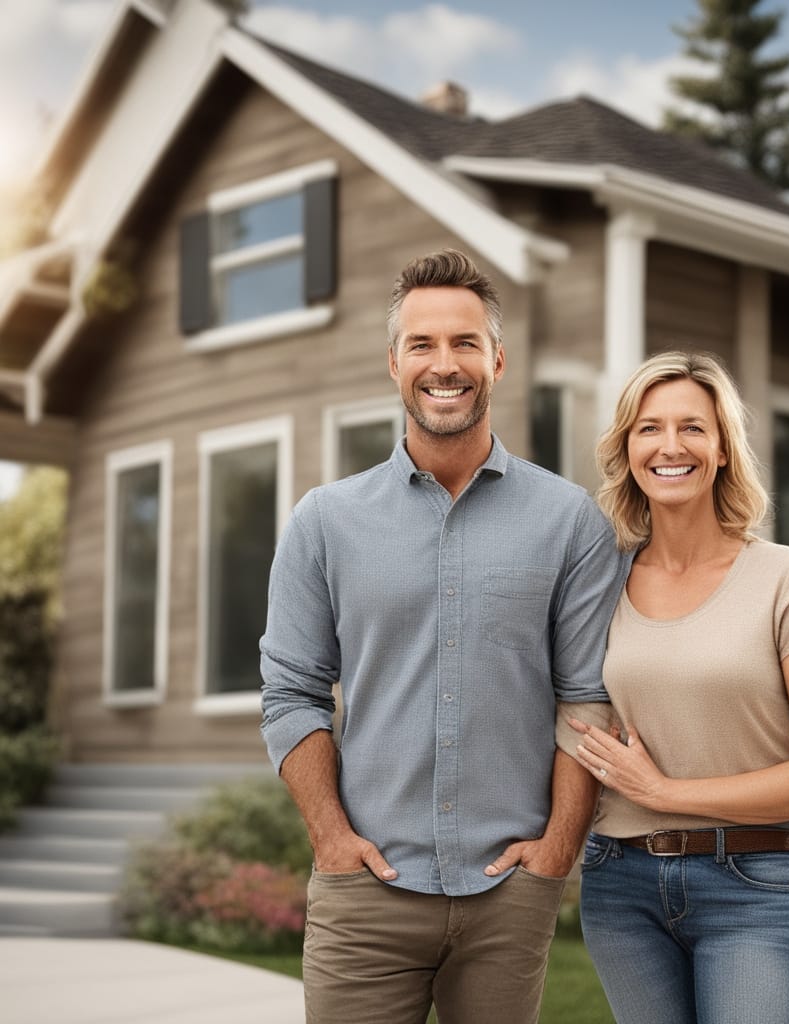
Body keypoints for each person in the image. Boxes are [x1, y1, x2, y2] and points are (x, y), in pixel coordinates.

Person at [259, 248, 627, 1024]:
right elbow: (291, 692)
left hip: (508, 898)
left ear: (498, 358)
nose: (444, 364)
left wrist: (556, 854)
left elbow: (587, 700)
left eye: (465, 342)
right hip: (367, 893)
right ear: (393, 363)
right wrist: (331, 839)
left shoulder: (570, 525)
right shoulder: (325, 522)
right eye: (422, 344)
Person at [570, 350, 789, 1024]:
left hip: (755, 883)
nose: (670, 446)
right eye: (649, 428)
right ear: (627, 448)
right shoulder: (599, 584)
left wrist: (667, 794)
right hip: (621, 883)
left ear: (724, 448)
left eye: (693, 428)